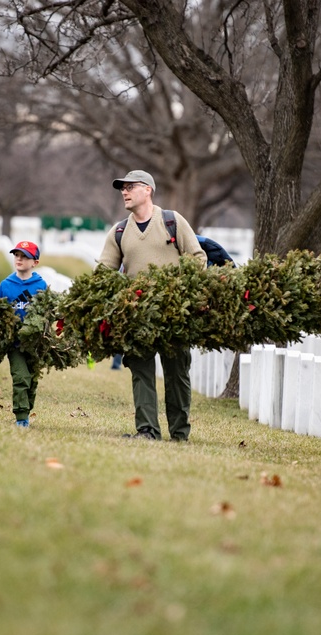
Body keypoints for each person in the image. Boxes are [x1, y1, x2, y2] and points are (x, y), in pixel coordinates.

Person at [98, 169, 207, 441]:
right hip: (137, 316)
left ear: (147, 190)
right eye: (122, 188)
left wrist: (177, 291)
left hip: (174, 315)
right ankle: (147, 430)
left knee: (177, 374)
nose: (124, 191)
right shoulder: (120, 231)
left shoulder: (172, 221)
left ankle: (180, 432)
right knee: (141, 372)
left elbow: (197, 257)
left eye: (130, 187)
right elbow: (103, 272)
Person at [0, 240, 48, 427]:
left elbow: (46, 312)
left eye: (24, 256)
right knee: (21, 377)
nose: (19, 259)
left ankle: (26, 407)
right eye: (17, 255)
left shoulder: (40, 285)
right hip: (14, 343)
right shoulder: (6, 285)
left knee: (32, 380)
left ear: (34, 262)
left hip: (35, 344)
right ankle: (21, 417)